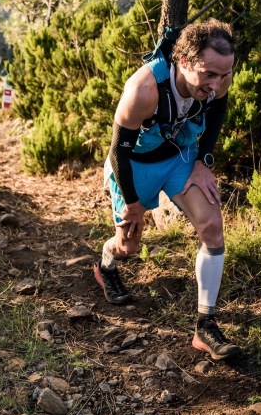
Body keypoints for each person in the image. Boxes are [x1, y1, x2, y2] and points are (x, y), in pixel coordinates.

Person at [94, 18, 240, 361]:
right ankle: (106, 266)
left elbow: (218, 110)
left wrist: (203, 160)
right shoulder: (144, 89)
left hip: (180, 157)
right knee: (128, 247)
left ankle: (205, 326)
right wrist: (133, 204)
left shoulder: (219, 74)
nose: (216, 84)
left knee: (212, 226)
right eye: (209, 75)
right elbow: (118, 152)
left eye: (224, 75)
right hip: (137, 165)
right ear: (184, 61)